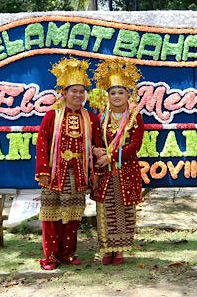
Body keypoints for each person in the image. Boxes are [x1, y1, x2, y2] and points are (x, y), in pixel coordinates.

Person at [35, 57, 103, 270]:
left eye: (82, 91)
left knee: (72, 218)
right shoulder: (52, 116)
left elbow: (98, 146)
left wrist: (96, 164)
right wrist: (43, 171)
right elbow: (41, 144)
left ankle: (68, 254)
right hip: (54, 175)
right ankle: (52, 257)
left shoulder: (90, 118)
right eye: (74, 91)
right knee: (51, 218)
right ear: (64, 93)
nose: (78, 95)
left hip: (77, 176)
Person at [89, 58, 145, 266]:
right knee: (105, 210)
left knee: (125, 210)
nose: (117, 96)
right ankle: (106, 250)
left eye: (121, 92)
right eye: (113, 93)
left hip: (126, 170)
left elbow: (135, 145)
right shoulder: (101, 118)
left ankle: (120, 251)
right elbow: (94, 140)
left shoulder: (134, 116)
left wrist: (110, 156)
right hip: (105, 172)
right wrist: (96, 151)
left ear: (127, 94)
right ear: (108, 95)